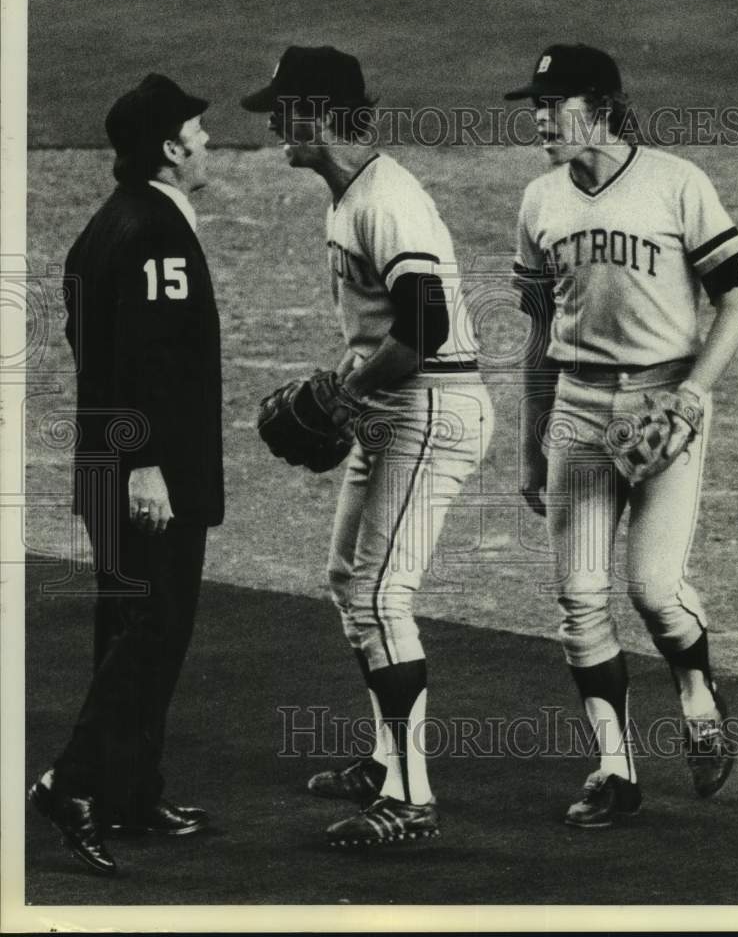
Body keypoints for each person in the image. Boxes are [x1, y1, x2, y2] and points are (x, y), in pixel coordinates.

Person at [242, 46, 494, 845]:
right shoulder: (350, 196)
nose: (274, 126)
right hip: (395, 404)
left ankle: (411, 799)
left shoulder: (386, 200)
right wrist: (355, 389)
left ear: (319, 113)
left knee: (382, 597)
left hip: (429, 408)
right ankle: (387, 762)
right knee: (349, 581)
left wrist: (347, 394)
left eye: (284, 112)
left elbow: (427, 326)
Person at [504, 44, 738, 827]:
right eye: (536, 106)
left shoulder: (675, 183)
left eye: (554, 105)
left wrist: (689, 396)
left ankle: (697, 697)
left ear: (602, 108)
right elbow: (537, 335)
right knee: (578, 596)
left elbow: (736, 300)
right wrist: (530, 440)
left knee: (652, 589)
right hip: (577, 407)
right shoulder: (538, 201)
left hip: (662, 403)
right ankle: (614, 769)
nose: (540, 119)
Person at [29, 74, 224, 875]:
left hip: (108, 464)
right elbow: (142, 357)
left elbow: (95, 346)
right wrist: (144, 463)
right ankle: (72, 783)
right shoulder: (153, 233)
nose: (209, 142)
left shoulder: (109, 222)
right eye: (197, 133)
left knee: (129, 625)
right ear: (170, 149)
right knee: (153, 628)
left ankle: (131, 794)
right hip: (149, 473)